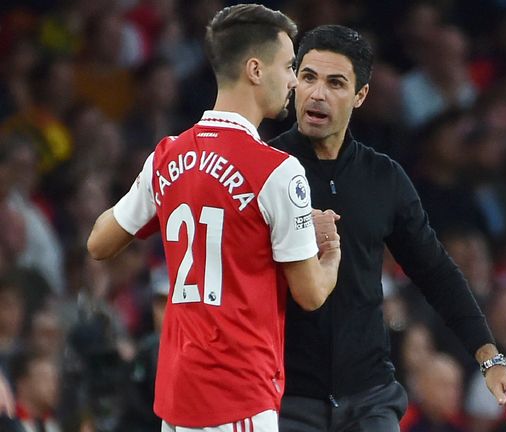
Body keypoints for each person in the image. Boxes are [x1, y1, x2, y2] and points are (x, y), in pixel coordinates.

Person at [86, 4, 342, 432]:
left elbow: (98, 243)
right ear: (256, 70)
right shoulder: (277, 171)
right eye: (289, 66)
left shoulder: (167, 154)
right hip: (236, 397)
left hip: (178, 397)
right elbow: (311, 293)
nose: (295, 80)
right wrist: (330, 252)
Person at [270, 24, 506, 431]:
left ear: (360, 95)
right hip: (286, 399)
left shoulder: (383, 178)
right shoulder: (264, 169)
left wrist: (491, 360)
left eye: (335, 82)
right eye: (308, 77)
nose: (317, 93)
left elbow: (437, 272)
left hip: (370, 398)